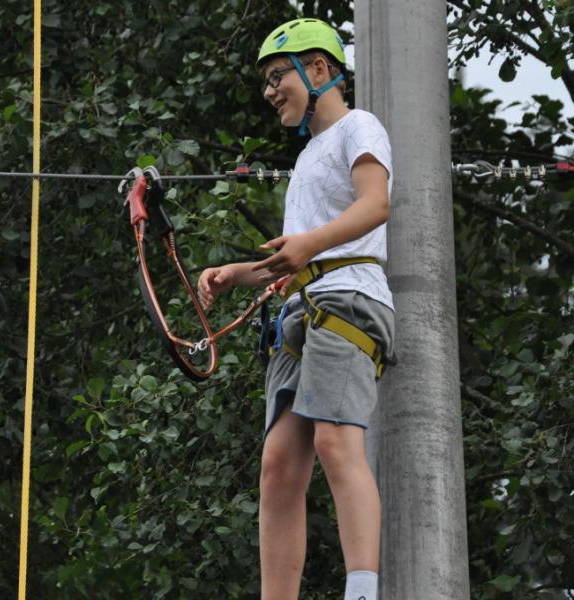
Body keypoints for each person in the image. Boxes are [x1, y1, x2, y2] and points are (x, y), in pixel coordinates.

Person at [198, 17, 395, 600]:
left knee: (335, 441)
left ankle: (362, 592)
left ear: (318, 69)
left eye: (276, 75)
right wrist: (239, 274)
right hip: (303, 306)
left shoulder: (359, 126)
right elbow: (296, 257)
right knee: (279, 464)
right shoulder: (308, 157)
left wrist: (308, 246)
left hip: (348, 298)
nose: (269, 91)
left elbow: (375, 206)